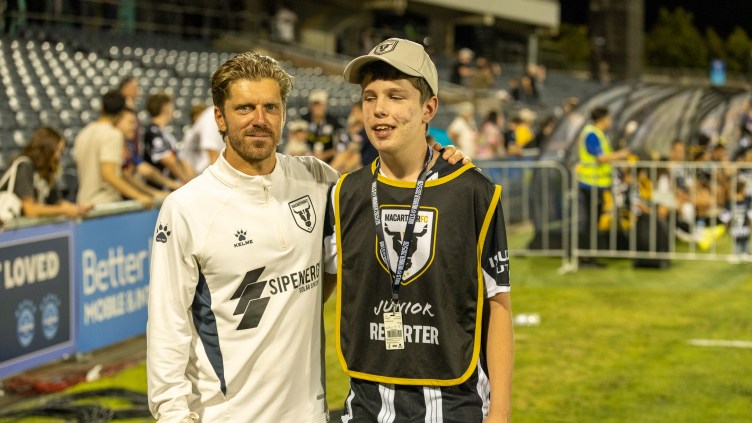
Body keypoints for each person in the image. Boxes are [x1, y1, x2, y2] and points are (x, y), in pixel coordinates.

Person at [146, 50, 467, 422]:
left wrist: (437, 161)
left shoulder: (316, 179)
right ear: (220, 117)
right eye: (245, 108)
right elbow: (168, 326)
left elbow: (376, 206)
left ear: (284, 114)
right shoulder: (186, 208)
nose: (259, 120)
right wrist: (173, 414)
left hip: (309, 413)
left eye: (270, 107)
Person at [327, 37, 513, 422]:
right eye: (369, 97)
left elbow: (498, 304)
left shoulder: (472, 191)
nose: (379, 109)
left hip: (455, 405)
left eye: (396, 97)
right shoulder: (345, 193)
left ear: (429, 108)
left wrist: (501, 412)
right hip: (367, 406)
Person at [73, 90, 152, 208]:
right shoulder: (112, 134)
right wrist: (139, 196)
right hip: (103, 203)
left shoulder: (83, 133)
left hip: (84, 202)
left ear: (101, 107)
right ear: (121, 112)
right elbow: (108, 174)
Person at [577, 106, 631, 266]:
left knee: (593, 221)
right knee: (590, 222)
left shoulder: (597, 134)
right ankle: (586, 258)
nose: (610, 121)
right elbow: (601, 158)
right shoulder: (592, 134)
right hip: (591, 183)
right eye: (609, 118)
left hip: (597, 184)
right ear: (603, 119)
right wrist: (621, 155)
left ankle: (589, 256)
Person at [1, 127, 92, 219]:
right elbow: (30, 210)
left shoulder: (45, 172)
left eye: (60, 151)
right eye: (56, 150)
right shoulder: (25, 166)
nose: (58, 156)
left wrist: (78, 209)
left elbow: (57, 203)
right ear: (45, 149)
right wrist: (64, 211)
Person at [142, 92, 195, 186]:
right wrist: (185, 180)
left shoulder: (163, 132)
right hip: (161, 187)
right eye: (171, 106)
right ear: (165, 108)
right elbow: (167, 160)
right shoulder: (153, 131)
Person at [301, 89, 345, 164]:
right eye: (315, 105)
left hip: (329, 161)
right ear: (310, 106)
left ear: (326, 106)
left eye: (320, 105)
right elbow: (296, 141)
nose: (318, 108)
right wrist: (309, 154)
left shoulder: (334, 123)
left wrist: (324, 155)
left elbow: (340, 146)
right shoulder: (303, 121)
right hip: (307, 159)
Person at [180, 104, 226, 175]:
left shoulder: (210, 119)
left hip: (203, 172)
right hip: (200, 173)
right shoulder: (209, 118)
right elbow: (212, 153)